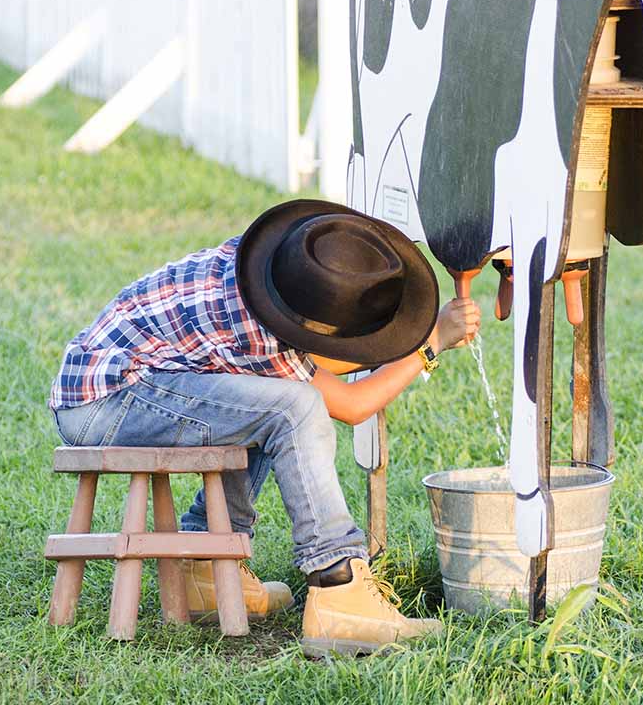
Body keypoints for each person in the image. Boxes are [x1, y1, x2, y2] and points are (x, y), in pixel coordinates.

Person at [49, 199, 480, 657]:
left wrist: (413, 342)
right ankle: (339, 585)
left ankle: (206, 569)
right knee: (293, 408)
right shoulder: (256, 333)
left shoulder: (272, 278)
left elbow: (313, 361)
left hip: (123, 381)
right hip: (105, 402)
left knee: (260, 400)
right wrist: (430, 344)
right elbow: (351, 405)